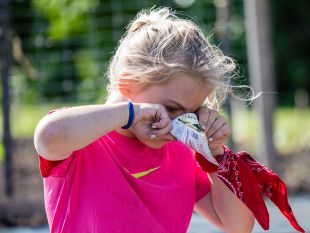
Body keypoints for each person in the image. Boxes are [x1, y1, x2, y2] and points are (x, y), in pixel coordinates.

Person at [34, 7, 256, 233]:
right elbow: (48, 136)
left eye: (192, 114)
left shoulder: (185, 153)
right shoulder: (83, 141)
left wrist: (215, 153)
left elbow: (239, 227)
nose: (177, 127)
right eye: (170, 108)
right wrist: (130, 113)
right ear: (127, 84)